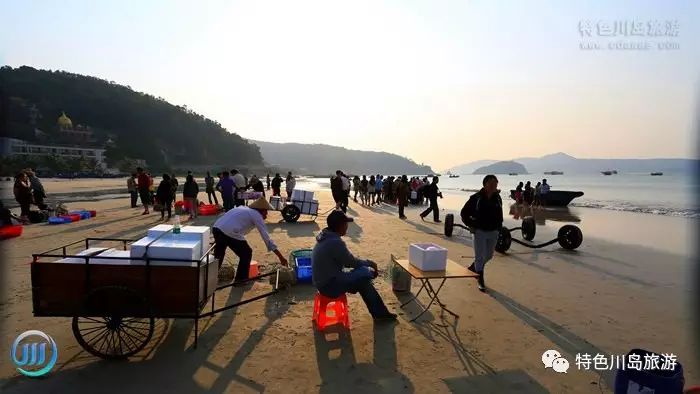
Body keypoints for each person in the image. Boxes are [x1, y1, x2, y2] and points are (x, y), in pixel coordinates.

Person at [312, 210, 397, 321]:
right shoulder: (335, 242)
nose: (347, 227)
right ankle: (380, 314)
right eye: (345, 224)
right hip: (329, 285)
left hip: (323, 281)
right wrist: (370, 264)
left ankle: (380, 314)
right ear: (340, 226)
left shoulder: (325, 236)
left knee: (363, 277)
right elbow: (351, 262)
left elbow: (348, 261)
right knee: (364, 277)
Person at [212, 197, 288, 283]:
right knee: (246, 253)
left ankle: (210, 278)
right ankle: (241, 280)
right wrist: (281, 257)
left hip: (217, 228)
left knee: (219, 255)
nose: (266, 214)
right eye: (266, 211)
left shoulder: (243, 208)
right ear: (261, 210)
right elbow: (266, 238)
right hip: (229, 231)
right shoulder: (256, 215)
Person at [464, 175, 503, 292]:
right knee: (479, 256)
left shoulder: (497, 198)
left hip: (493, 231)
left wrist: (499, 228)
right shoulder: (476, 198)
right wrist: (471, 225)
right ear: (485, 184)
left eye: (495, 184)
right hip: (479, 231)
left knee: (489, 255)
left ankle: (474, 267)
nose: (493, 186)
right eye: (491, 184)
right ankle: (480, 279)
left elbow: (500, 214)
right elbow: (464, 213)